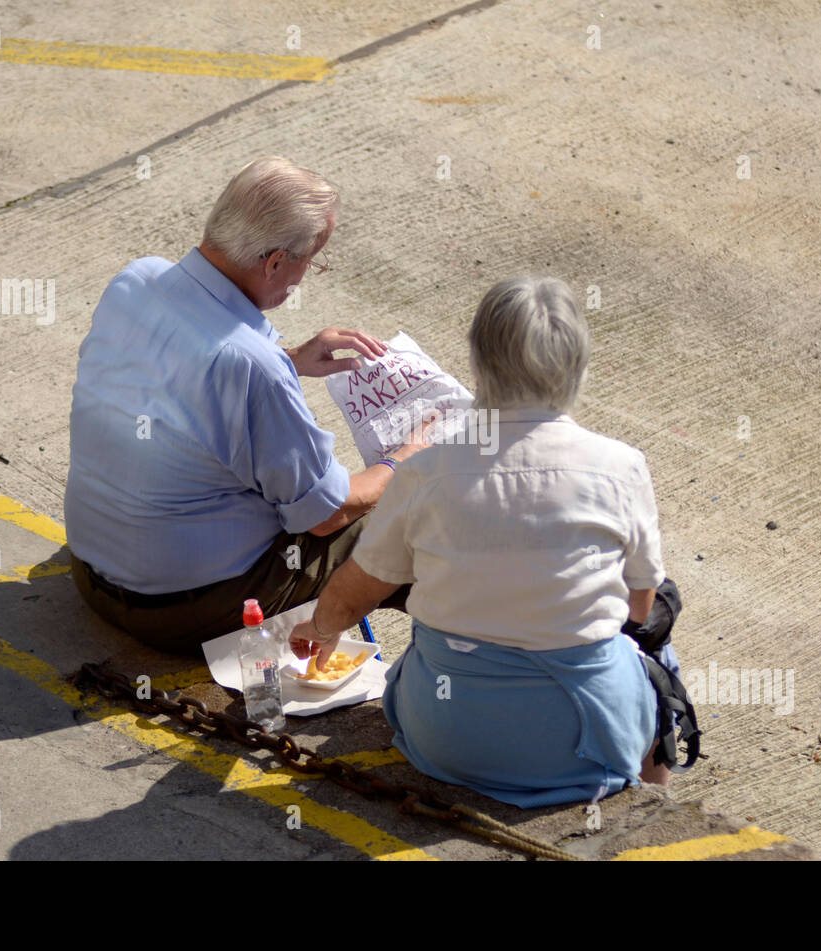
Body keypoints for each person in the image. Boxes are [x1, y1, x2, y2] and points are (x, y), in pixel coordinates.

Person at [289, 277, 687, 806]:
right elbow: (638, 610)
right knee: (662, 636)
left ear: (478, 365)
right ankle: (649, 806)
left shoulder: (425, 470)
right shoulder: (622, 466)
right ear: (579, 368)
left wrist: (321, 627)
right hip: (581, 742)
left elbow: (357, 588)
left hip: (445, 737)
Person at [65, 156, 431, 655]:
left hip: (94, 578)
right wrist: (407, 461)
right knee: (414, 521)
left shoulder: (136, 280)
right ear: (275, 261)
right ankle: (462, 681)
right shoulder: (251, 366)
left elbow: (177, 372)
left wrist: (293, 358)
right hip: (181, 611)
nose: (307, 274)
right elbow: (326, 515)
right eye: (312, 259)